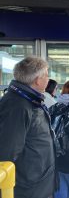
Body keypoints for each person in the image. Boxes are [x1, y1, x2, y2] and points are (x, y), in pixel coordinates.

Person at [0, 56, 56, 198]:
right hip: (28, 188)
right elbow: (8, 152)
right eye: (46, 75)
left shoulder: (29, 100)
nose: (48, 79)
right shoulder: (18, 106)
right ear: (37, 80)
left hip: (38, 183)